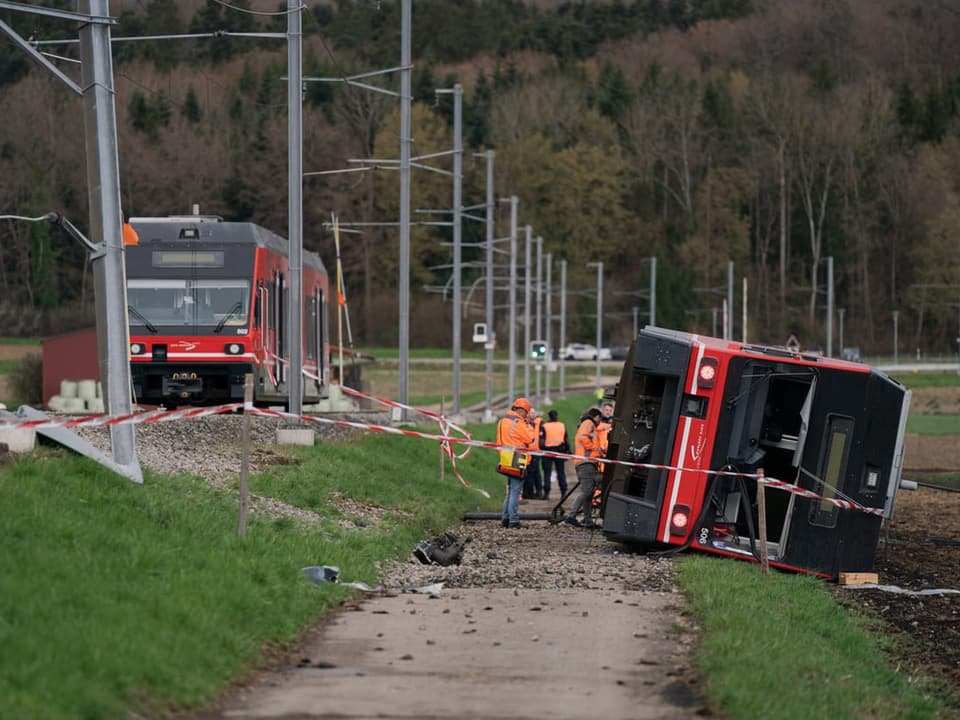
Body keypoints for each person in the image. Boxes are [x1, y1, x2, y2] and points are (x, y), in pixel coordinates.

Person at [497, 397, 538, 529]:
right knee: (515, 490)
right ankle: (513, 520)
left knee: (510, 491)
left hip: (505, 457)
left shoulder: (502, 421)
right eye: (526, 413)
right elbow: (530, 438)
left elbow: (499, 441)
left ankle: (505, 518)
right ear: (521, 411)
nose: (526, 416)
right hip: (517, 458)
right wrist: (529, 424)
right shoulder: (518, 422)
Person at [564, 407, 603, 528]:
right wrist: (593, 448)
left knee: (589, 492)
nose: (599, 421)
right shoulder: (589, 423)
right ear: (596, 416)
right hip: (585, 462)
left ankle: (588, 520)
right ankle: (571, 516)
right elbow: (581, 437)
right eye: (599, 418)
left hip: (587, 462)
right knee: (586, 491)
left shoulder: (588, 424)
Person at [540, 409, 570, 500]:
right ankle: (563, 492)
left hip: (547, 452)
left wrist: (542, 449)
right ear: (557, 416)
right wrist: (568, 451)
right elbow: (566, 440)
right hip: (559, 451)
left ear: (549, 416)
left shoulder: (544, 426)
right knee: (561, 472)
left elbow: (541, 441)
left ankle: (546, 493)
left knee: (547, 473)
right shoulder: (562, 425)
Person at [523, 409, 545, 500]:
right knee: (532, 472)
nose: (533, 414)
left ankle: (532, 492)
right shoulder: (528, 424)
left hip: (535, 451)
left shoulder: (538, 423)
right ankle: (532, 491)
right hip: (528, 452)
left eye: (534, 413)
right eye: (531, 413)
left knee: (533, 472)